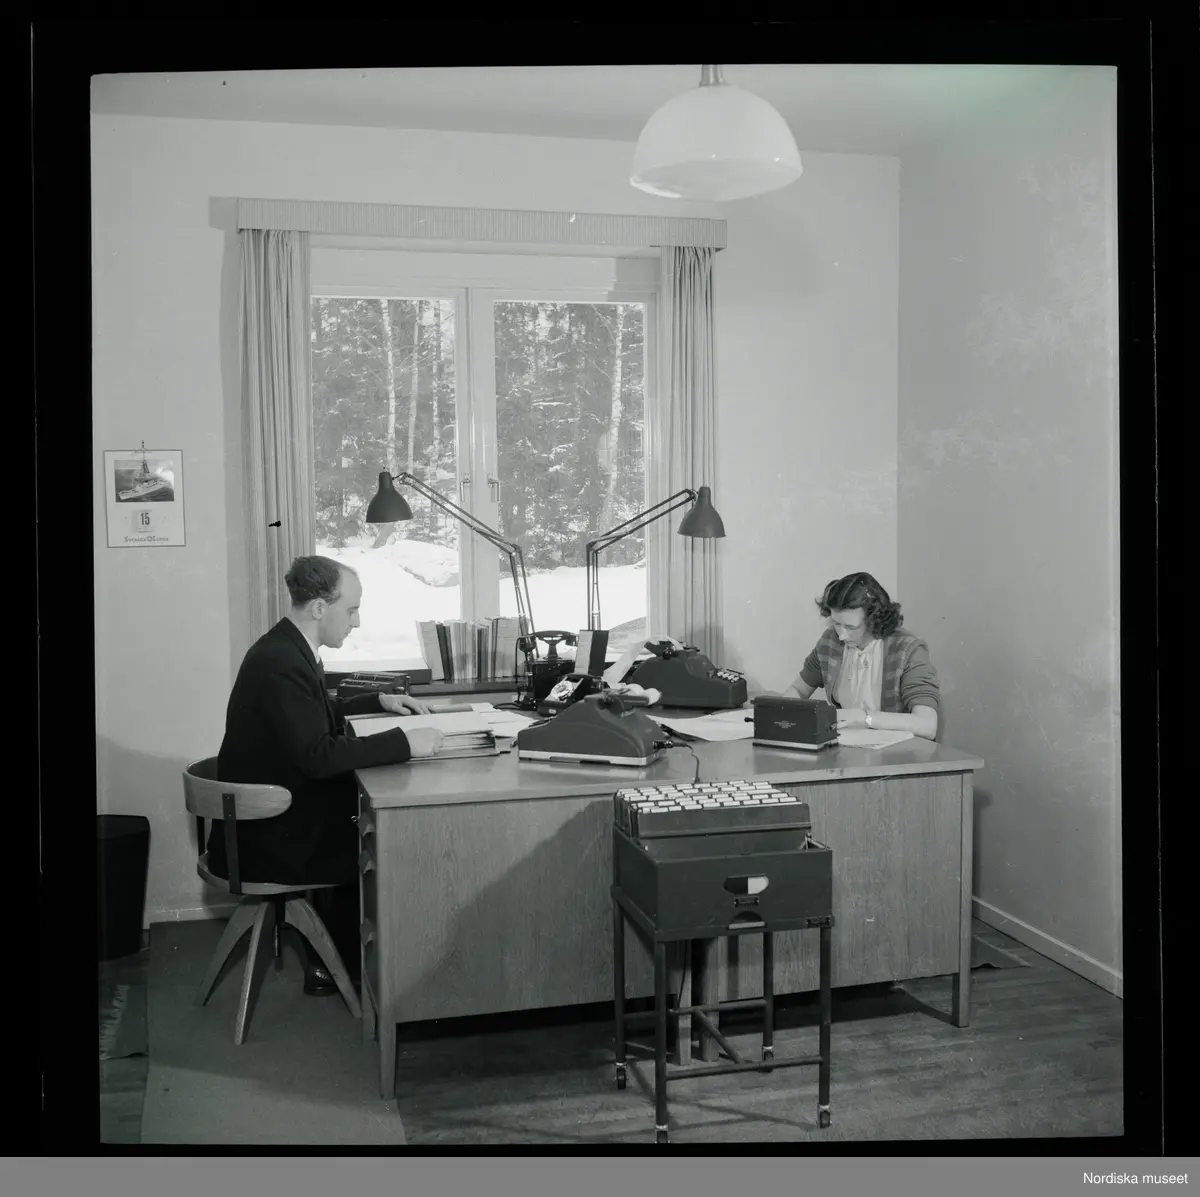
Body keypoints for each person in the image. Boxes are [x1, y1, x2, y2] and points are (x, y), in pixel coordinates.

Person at [209, 555, 443, 996]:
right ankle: (352, 966)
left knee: (365, 819)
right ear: (319, 608)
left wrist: (377, 701)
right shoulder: (282, 661)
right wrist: (405, 743)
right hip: (263, 842)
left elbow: (310, 715)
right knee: (387, 840)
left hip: (265, 825)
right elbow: (317, 755)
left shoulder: (286, 648)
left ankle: (332, 956)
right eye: (351, 610)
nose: (356, 622)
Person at [783, 572, 942, 741]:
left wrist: (862, 717)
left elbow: (927, 725)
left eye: (851, 627)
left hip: (899, 751)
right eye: (836, 623)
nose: (842, 635)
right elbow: (799, 690)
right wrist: (780, 716)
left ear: (874, 619)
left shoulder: (908, 650)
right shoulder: (830, 641)